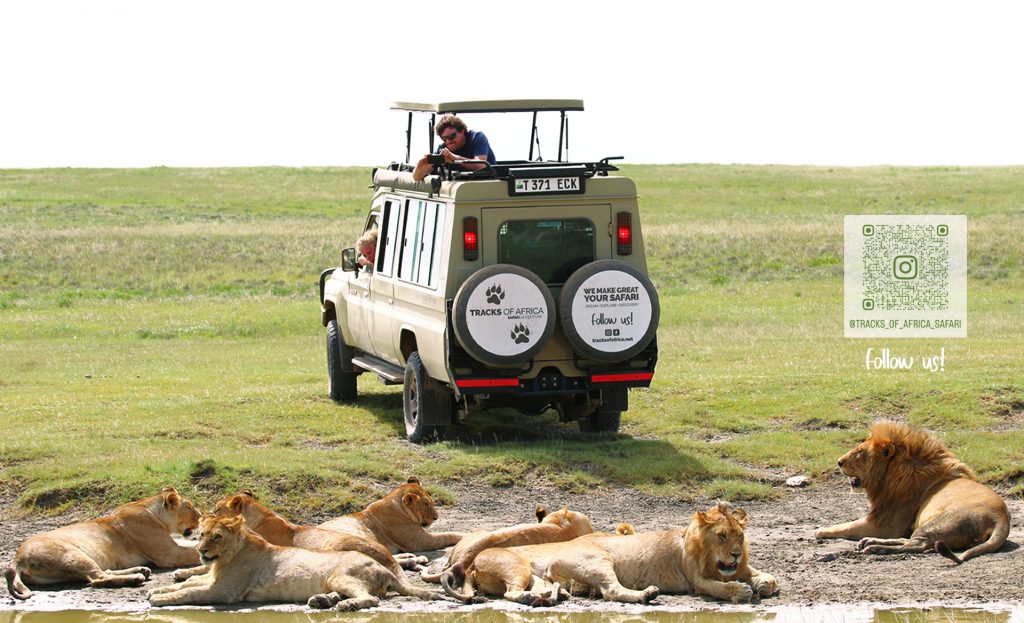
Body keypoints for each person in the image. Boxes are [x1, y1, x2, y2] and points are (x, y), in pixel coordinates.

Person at [412, 114, 495, 181]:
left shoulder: (476, 138)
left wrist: (454, 158)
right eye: (444, 138)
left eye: (451, 136)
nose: (448, 141)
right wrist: (421, 165)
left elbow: (481, 166)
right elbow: (417, 177)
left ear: (462, 131)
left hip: (488, 183)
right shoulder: (443, 149)